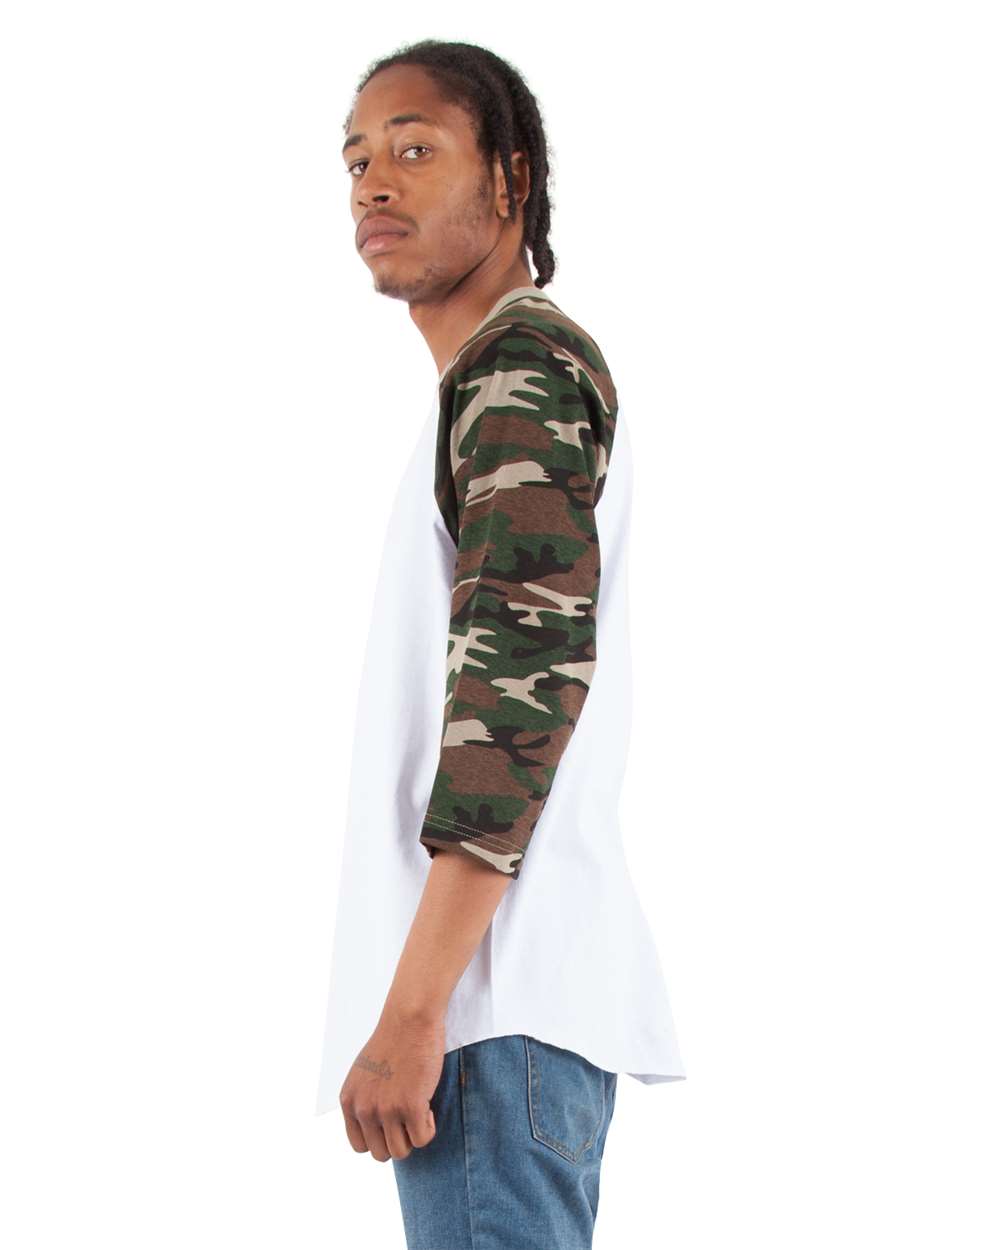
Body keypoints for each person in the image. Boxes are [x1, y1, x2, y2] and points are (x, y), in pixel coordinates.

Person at [316, 38, 686, 1249]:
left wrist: (414, 1009)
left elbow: (517, 692)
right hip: (508, 1012)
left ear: (510, 178)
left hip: (489, 1009)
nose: (375, 182)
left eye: (416, 148)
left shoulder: (517, 370)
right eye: (357, 160)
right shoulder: (497, 380)